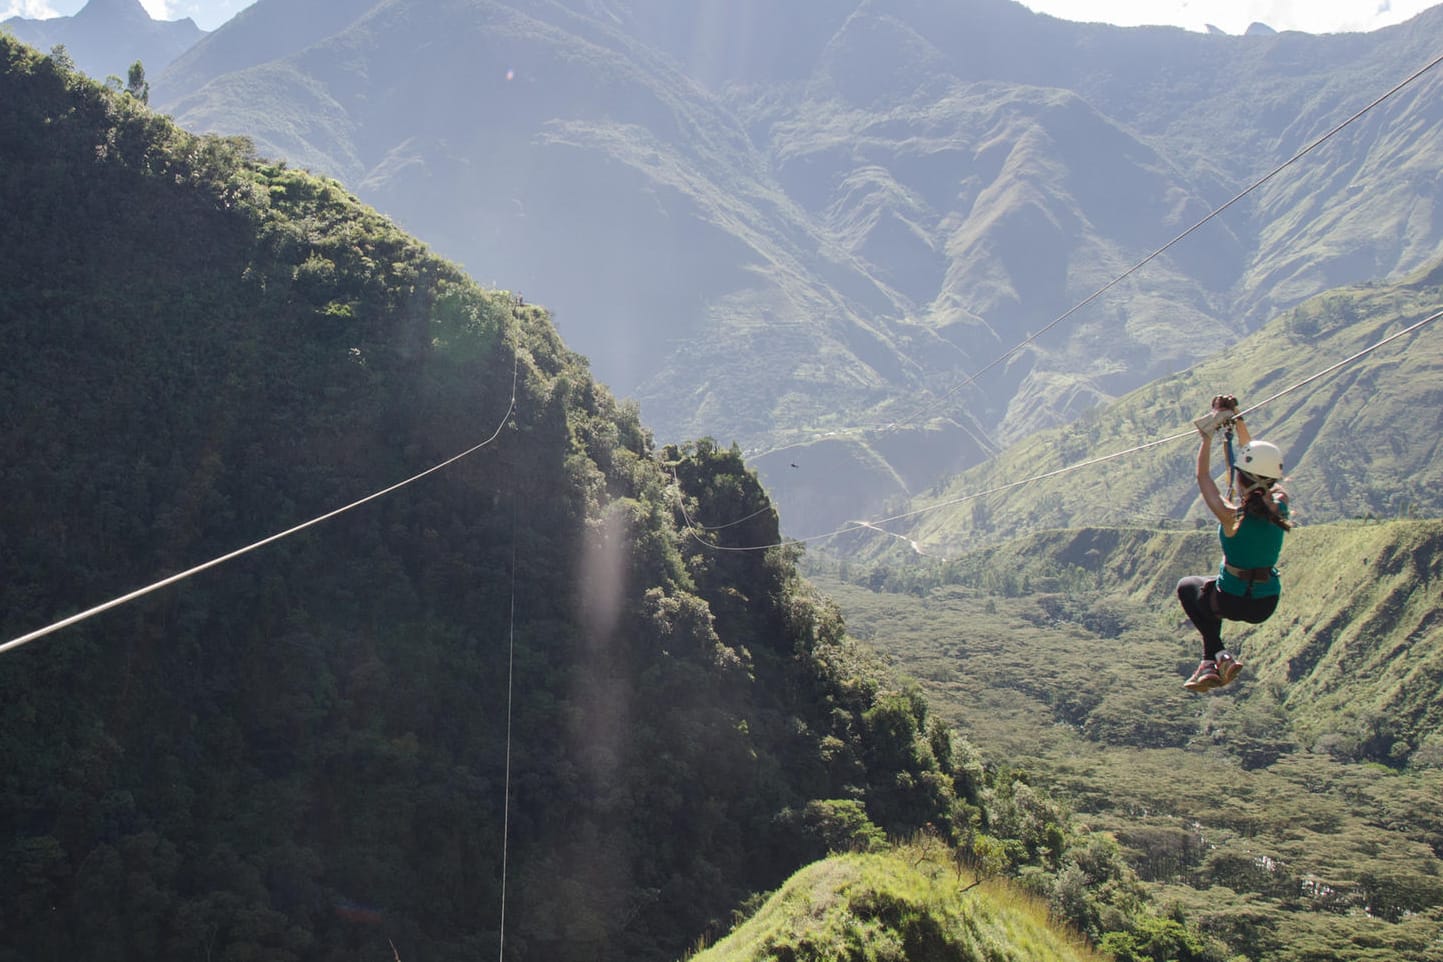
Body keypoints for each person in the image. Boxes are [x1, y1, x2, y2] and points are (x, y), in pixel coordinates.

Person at [1177, 395, 1293, 692]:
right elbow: (1253, 460)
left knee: (1189, 586)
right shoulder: (1281, 506)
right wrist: (1237, 419)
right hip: (1265, 603)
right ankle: (1211, 661)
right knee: (1208, 589)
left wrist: (1207, 436)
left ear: (1238, 478)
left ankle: (1217, 652)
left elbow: (1203, 476)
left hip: (1230, 598)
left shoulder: (1232, 517)